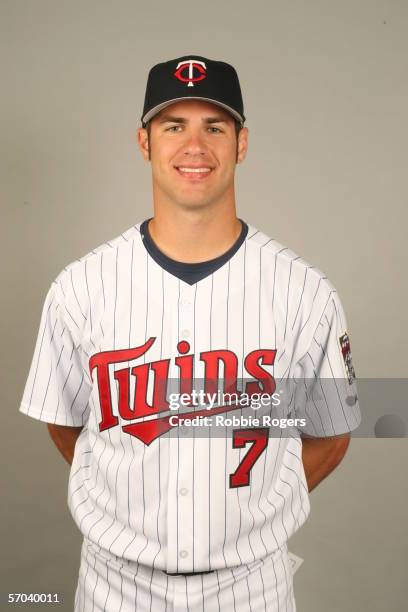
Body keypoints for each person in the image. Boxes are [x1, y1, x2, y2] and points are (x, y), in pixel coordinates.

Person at [20, 55, 361, 611]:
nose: (194, 146)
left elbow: (330, 434)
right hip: (114, 588)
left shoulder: (304, 291)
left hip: (252, 589)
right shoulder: (81, 287)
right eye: (174, 126)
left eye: (215, 127)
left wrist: (248, 520)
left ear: (241, 143)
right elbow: (67, 426)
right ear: (144, 142)